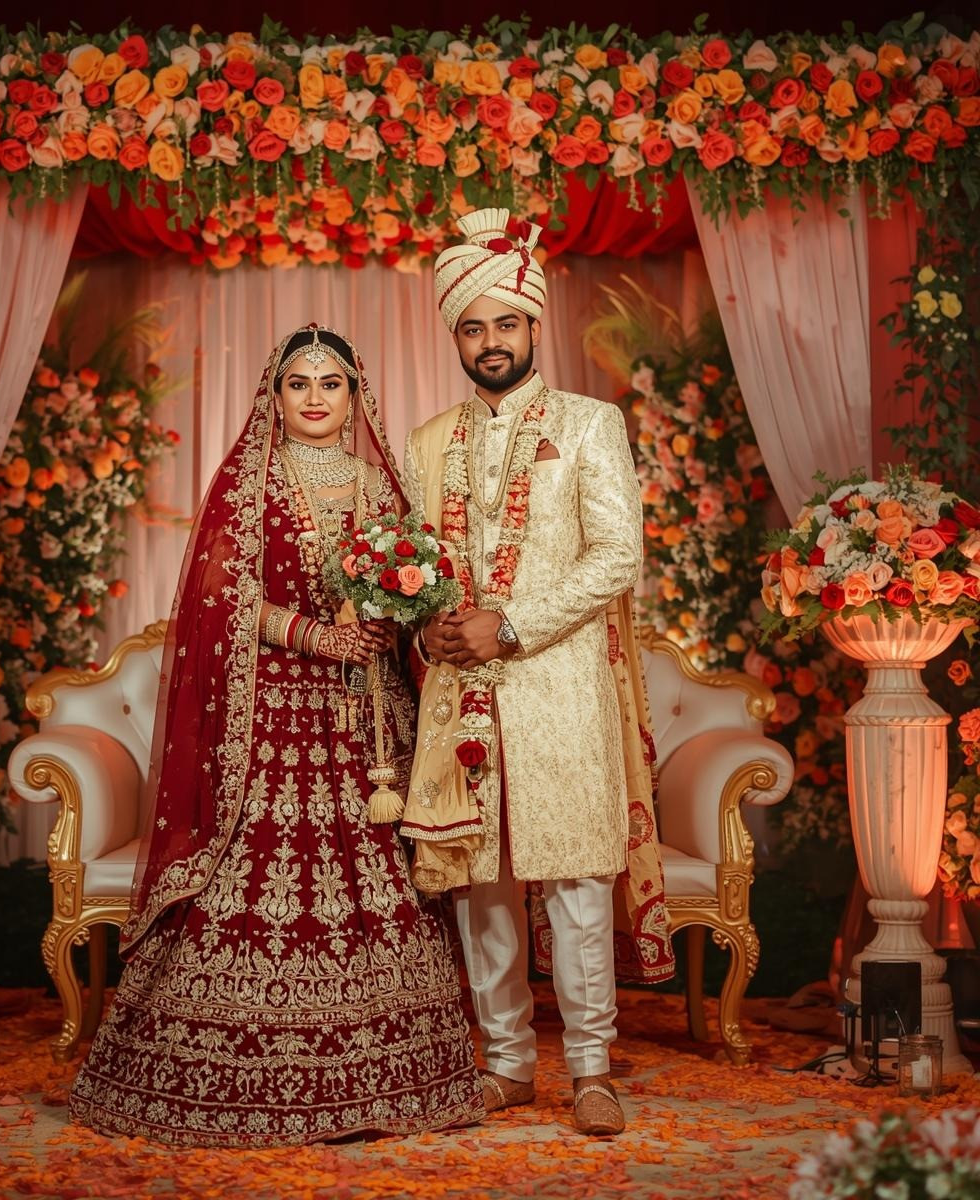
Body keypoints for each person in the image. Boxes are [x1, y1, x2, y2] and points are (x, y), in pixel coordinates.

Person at [69, 325, 485, 1146]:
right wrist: (316, 635)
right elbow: (222, 599)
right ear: (275, 396)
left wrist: (390, 620)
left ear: (355, 396)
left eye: (331, 383)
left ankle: (384, 1074)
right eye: (300, 383)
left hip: (370, 722)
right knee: (258, 875)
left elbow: (423, 593)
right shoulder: (247, 486)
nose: (316, 398)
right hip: (271, 720)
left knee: (379, 876)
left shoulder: (381, 486)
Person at [402, 209, 674, 1137]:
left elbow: (616, 558)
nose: (491, 342)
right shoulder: (428, 440)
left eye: (506, 324)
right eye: (473, 327)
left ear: (533, 327)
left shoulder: (591, 425)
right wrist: (430, 632)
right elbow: (413, 566)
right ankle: (508, 1063)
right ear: (456, 337)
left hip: (561, 690)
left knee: (576, 883)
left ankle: (591, 1069)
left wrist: (509, 626)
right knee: (482, 883)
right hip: (461, 698)